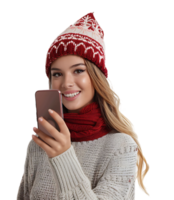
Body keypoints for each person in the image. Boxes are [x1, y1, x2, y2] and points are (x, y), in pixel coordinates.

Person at [15, 11, 151, 199]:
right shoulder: (40, 144)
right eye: (57, 74)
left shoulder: (121, 146)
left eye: (78, 70)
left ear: (95, 78)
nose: (66, 83)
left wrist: (63, 157)